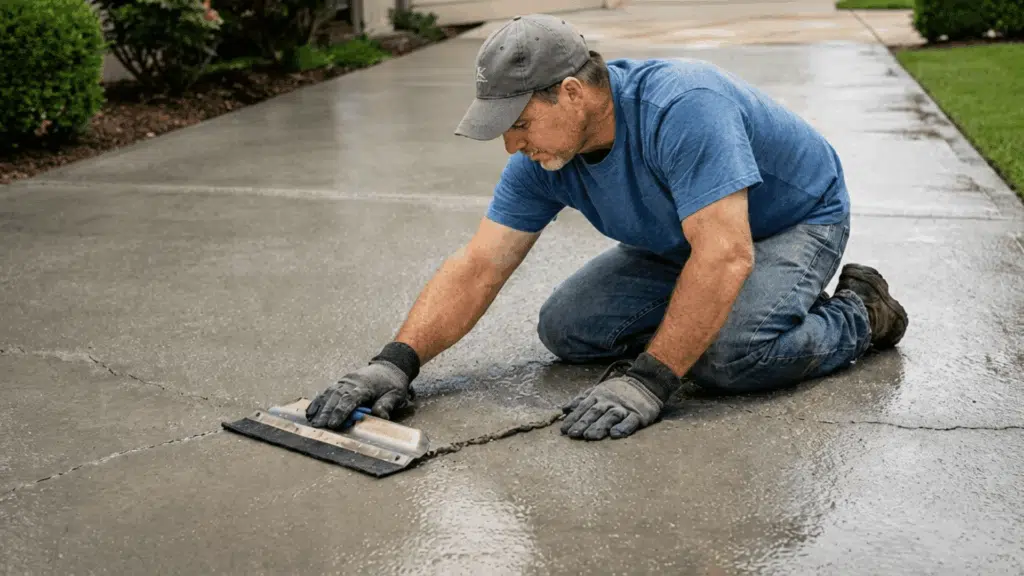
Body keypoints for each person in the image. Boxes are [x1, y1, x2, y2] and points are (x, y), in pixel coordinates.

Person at [305, 13, 908, 441]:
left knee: (728, 359)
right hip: (688, 236)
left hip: (792, 220)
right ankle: (706, 310)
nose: (512, 144)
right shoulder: (544, 160)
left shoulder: (682, 107)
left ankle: (860, 311)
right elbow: (480, 264)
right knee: (568, 330)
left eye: (517, 122)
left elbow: (725, 254)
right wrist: (395, 362)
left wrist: (651, 379)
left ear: (571, 93)